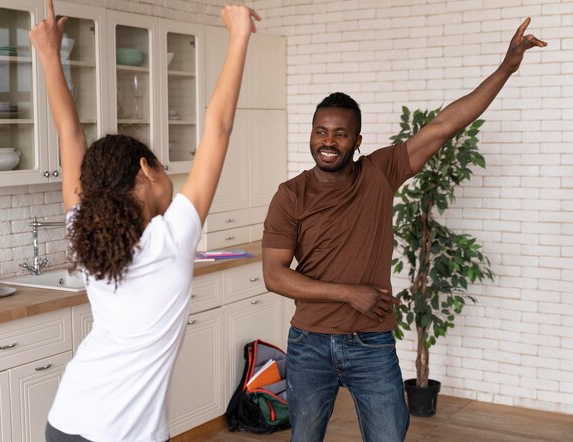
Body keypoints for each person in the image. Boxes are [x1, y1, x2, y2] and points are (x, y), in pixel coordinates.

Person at [262, 18, 546, 442]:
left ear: (357, 141)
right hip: (310, 342)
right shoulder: (290, 195)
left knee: (388, 437)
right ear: (311, 134)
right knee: (305, 438)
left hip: (371, 344)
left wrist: (506, 67)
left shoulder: (379, 171)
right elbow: (274, 276)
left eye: (341, 133)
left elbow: (445, 125)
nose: (328, 140)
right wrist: (348, 292)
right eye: (321, 131)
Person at [28, 1, 260, 441]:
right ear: (147, 168)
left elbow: (69, 135)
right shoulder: (170, 239)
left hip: (67, 420)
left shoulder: (88, 232)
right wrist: (239, 35)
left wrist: (48, 55)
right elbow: (219, 127)